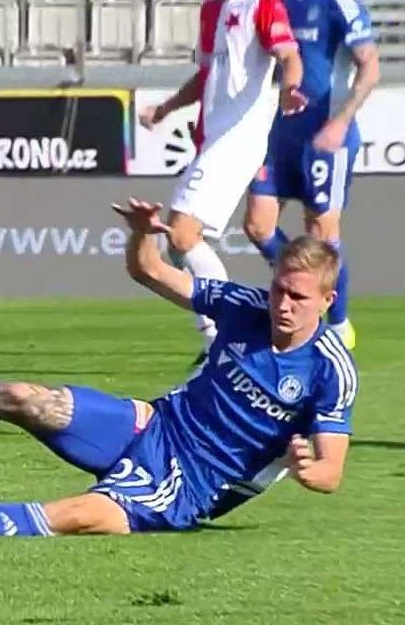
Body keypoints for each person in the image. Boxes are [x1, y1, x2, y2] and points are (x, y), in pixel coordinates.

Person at [0, 198, 358, 542]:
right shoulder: (243, 306)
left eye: (297, 296)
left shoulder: (330, 369)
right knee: (24, 397)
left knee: (80, 514)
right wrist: (144, 232)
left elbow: (331, 473)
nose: (281, 303)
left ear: (327, 299)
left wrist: (307, 468)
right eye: (278, 289)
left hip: (193, 486)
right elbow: (147, 270)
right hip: (152, 425)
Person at [138, 0, 306, 360]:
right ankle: (224, 337)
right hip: (214, 137)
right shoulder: (211, 8)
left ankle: (224, 338)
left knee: (183, 234)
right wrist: (165, 109)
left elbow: (289, 55)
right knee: (177, 243)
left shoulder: (262, 5)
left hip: (238, 139)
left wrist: (291, 89)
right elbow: (206, 77)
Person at [242, 0, 380, 351]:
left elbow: (370, 67)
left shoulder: (341, 7)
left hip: (326, 136)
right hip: (282, 132)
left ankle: (337, 324)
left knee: (321, 232)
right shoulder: (275, 4)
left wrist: (341, 121)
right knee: (258, 225)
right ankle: (301, 285)